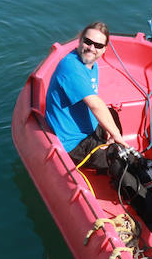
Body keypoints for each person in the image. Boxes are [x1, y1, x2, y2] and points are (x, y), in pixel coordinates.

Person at [44, 21, 130, 171]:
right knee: (123, 162)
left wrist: (111, 132)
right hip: (75, 142)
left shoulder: (91, 63)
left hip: (88, 127)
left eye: (98, 45)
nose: (91, 48)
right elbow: (95, 104)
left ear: (104, 49)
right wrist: (116, 136)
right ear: (80, 39)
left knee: (112, 115)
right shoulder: (70, 66)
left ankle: (108, 149)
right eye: (88, 42)